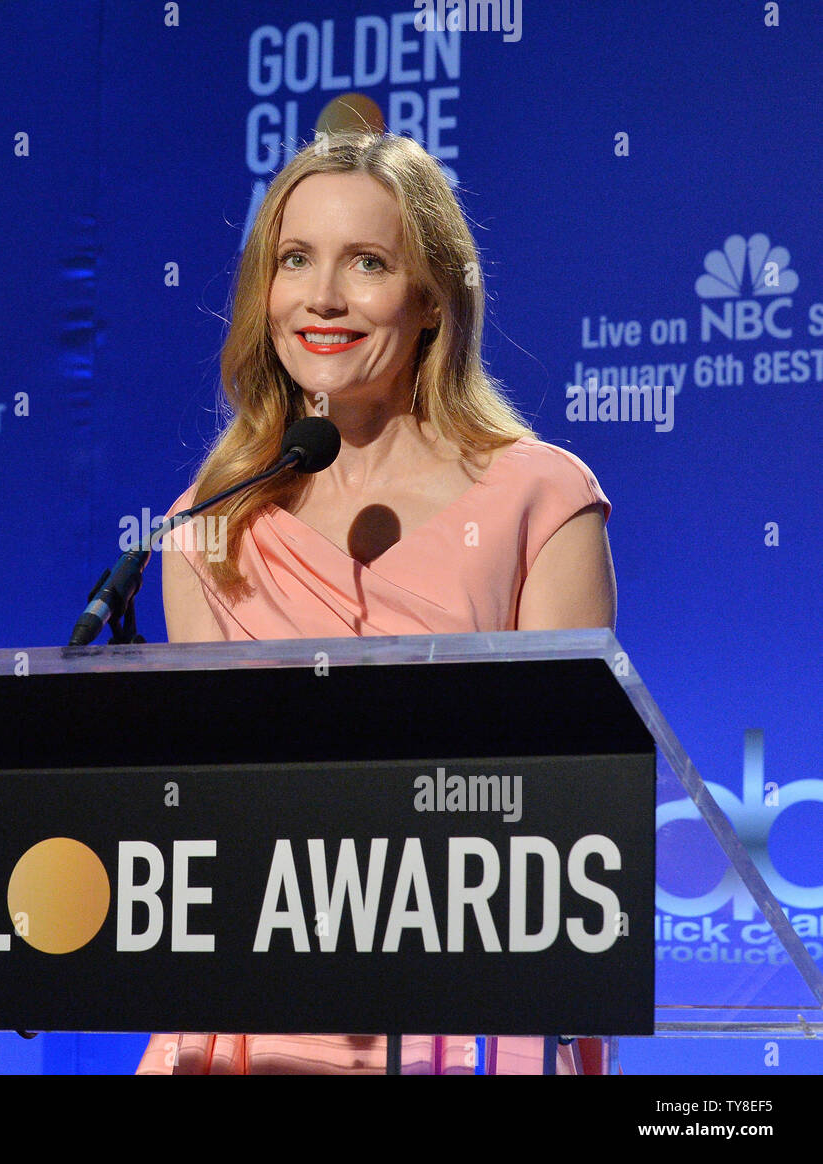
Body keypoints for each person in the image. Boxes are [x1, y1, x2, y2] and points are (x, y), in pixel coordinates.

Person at [136, 131, 616, 1075]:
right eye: (295, 261)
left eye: (367, 263)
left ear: (432, 297)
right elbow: (194, 814)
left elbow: (568, 810)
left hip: (462, 1010)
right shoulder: (211, 522)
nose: (323, 296)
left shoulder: (539, 499)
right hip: (248, 1020)